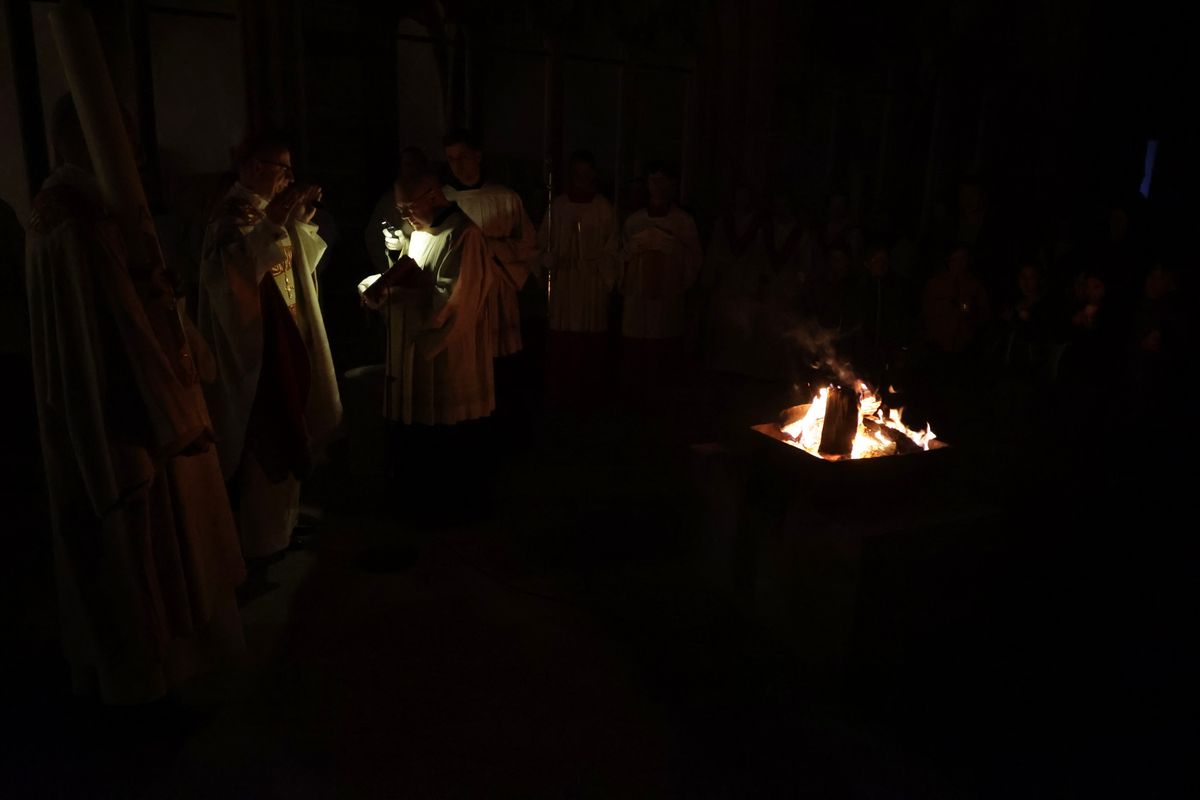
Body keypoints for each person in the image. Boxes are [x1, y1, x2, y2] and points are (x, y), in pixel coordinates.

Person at [27, 95, 244, 704]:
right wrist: (178, 409)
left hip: (134, 401)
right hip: (122, 414)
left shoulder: (91, 210)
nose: (134, 151)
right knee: (139, 557)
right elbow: (111, 332)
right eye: (120, 133)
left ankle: (173, 671)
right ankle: (148, 687)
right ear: (88, 138)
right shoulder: (73, 221)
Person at [197, 131, 342, 565]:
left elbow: (295, 257)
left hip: (285, 332)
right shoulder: (229, 215)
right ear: (257, 168)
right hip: (255, 345)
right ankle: (262, 542)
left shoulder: (257, 210)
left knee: (292, 420)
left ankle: (285, 524)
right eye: (284, 169)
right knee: (268, 434)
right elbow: (232, 278)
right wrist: (277, 222)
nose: (288, 178)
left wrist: (298, 217)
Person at [360, 169, 494, 518]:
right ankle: (417, 502)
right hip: (415, 349)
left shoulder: (465, 236)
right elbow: (416, 268)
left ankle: (449, 509)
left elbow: (450, 302)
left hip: (447, 353)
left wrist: (393, 292)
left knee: (447, 439)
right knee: (417, 435)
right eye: (400, 209)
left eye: (408, 209)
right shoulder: (422, 230)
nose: (405, 217)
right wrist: (395, 258)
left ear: (433, 196)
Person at [441, 130, 535, 377]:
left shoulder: (505, 198)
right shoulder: (442, 200)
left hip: (497, 290)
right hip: (461, 292)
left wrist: (492, 248)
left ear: (477, 156)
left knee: (499, 366)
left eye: (462, 157)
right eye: (451, 159)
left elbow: (527, 245)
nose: (457, 165)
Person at [535, 150, 619, 408]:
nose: (582, 179)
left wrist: (597, 264)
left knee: (589, 341)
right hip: (564, 285)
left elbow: (613, 250)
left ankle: (590, 399)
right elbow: (540, 245)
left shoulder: (604, 209)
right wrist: (547, 259)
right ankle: (561, 398)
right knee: (564, 342)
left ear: (593, 175)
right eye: (577, 174)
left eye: (586, 174)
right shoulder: (558, 207)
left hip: (590, 284)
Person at [618, 161, 702, 408]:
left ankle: (660, 405)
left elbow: (694, 259)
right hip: (637, 297)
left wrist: (671, 250)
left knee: (662, 351)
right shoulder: (634, 221)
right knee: (636, 353)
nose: (657, 187)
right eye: (653, 181)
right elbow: (619, 256)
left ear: (673, 185)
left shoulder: (683, 222)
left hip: (665, 299)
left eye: (662, 181)